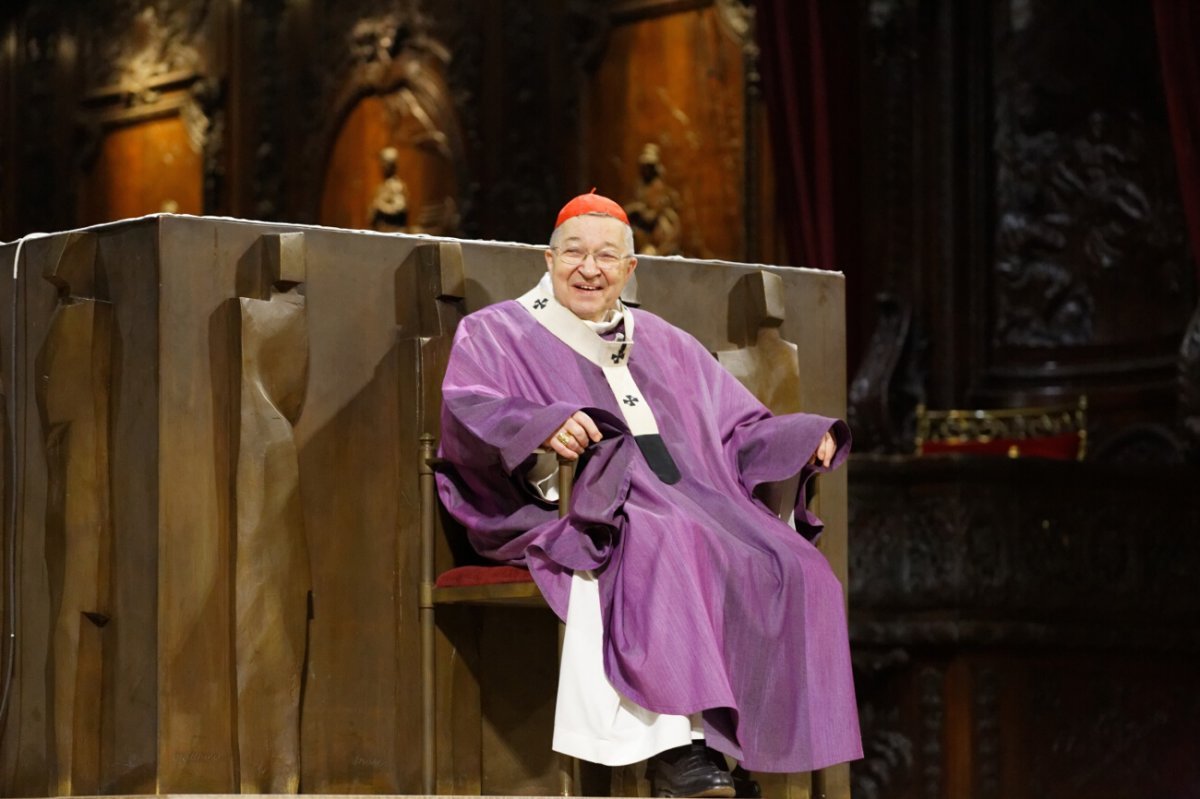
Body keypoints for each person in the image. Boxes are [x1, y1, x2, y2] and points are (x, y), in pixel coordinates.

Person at [436, 191, 861, 797]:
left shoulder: (663, 341)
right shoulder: (497, 332)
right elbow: (470, 408)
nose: (589, 268)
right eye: (574, 253)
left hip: (688, 500)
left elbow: (738, 426)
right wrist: (541, 424)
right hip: (558, 506)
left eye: (607, 257)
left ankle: (736, 750)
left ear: (630, 270)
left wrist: (803, 436)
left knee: (796, 565)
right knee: (660, 534)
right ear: (547, 258)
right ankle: (675, 754)